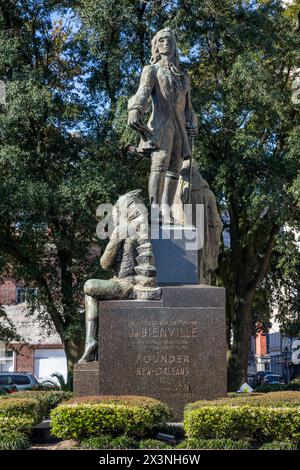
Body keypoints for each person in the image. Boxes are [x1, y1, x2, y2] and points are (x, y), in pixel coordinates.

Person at [128, 28, 198, 222]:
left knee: (175, 166)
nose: (166, 43)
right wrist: (135, 108)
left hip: (181, 127)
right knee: (161, 161)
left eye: (170, 40)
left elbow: (189, 107)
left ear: (175, 46)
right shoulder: (152, 70)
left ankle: (167, 212)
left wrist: (194, 122)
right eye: (162, 40)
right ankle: (155, 209)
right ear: (156, 46)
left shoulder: (184, 76)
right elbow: (142, 92)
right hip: (161, 125)